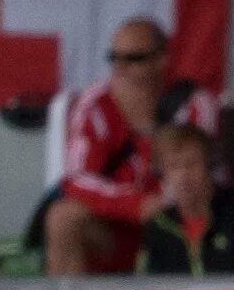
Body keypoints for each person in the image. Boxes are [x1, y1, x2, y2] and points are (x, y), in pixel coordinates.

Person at [34, 18, 220, 275]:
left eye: (133, 59)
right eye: (114, 58)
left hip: (180, 223)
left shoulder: (195, 104)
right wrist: (136, 205)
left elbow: (198, 175)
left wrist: (145, 124)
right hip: (123, 228)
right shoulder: (95, 102)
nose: (120, 68)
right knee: (62, 217)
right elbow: (77, 180)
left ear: (161, 60)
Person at [137, 123, 234, 277]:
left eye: (192, 163)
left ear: (210, 165)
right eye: (173, 166)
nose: (183, 175)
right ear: (162, 173)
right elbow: (145, 288)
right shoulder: (158, 226)